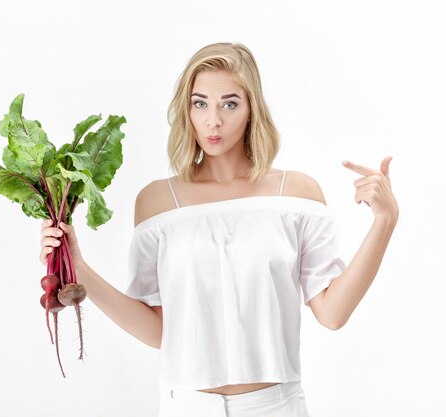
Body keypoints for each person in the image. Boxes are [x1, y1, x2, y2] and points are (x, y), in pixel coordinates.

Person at [39, 42, 399, 417]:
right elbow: (160, 331)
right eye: (200, 103)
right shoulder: (158, 202)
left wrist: (384, 221)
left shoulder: (295, 193)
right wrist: (79, 269)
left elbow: (332, 313)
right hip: (187, 406)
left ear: (250, 111)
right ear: (186, 110)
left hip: (276, 407)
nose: (213, 120)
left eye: (229, 104)